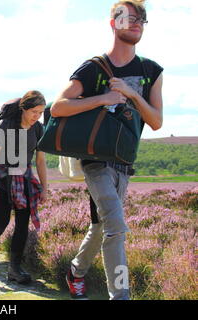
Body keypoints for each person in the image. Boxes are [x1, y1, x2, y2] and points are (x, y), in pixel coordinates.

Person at [51, 0, 164, 300]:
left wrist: (130, 95)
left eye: (142, 17)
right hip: (95, 162)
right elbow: (58, 108)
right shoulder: (93, 68)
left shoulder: (151, 71)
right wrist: (102, 99)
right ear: (113, 23)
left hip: (125, 163)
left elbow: (155, 121)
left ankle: (76, 270)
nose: (137, 22)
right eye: (129, 17)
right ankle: (120, 295)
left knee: (101, 227)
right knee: (116, 229)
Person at [0, 90, 48, 284]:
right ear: (23, 108)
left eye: (41, 112)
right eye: (34, 111)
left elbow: (40, 161)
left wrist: (44, 187)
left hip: (24, 177)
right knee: (2, 220)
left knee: (23, 223)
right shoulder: (5, 125)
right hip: (2, 177)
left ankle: (14, 267)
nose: (37, 116)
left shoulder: (39, 129)